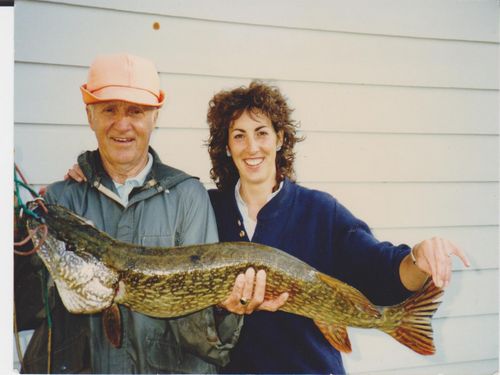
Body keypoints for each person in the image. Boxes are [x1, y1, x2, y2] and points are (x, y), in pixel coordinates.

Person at [204, 81, 470, 374]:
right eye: (239, 136)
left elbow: (381, 272)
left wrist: (419, 259)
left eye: (262, 133)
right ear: (227, 147)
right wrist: (222, 306)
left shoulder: (320, 211)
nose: (252, 147)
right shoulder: (205, 210)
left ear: (280, 138)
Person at [17, 53, 247, 374]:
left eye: (135, 111)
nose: (122, 124)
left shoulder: (188, 197)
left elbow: (199, 325)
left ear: (154, 117)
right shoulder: (58, 200)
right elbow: (29, 306)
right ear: (90, 116)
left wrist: (225, 309)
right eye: (109, 109)